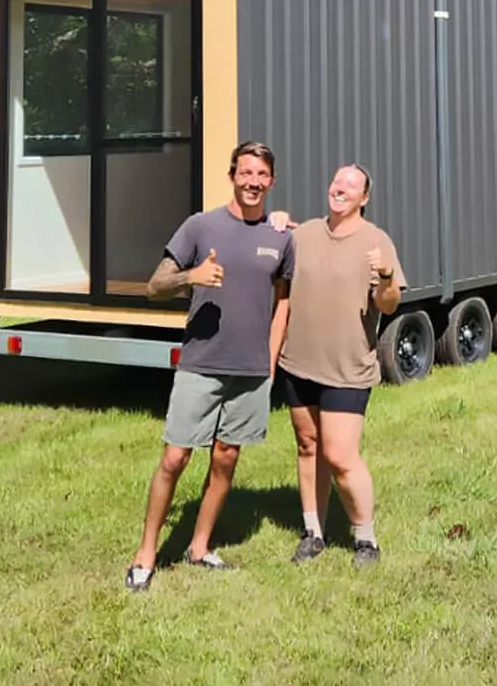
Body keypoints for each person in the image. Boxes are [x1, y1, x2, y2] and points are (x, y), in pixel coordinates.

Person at [124, 141, 294, 592]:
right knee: (175, 456)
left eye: (261, 175)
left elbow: (284, 302)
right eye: (245, 173)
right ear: (232, 175)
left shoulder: (281, 237)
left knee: (226, 457)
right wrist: (191, 277)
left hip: (251, 370)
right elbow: (153, 286)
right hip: (201, 364)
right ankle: (145, 554)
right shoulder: (201, 226)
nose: (253, 182)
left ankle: (199, 547)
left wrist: (270, 361)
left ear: (271, 181)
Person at [274, 163, 406, 567]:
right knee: (308, 446)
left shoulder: (376, 240)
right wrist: (273, 221)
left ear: (364, 198)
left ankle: (366, 539)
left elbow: (389, 304)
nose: (340, 189)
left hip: (348, 367)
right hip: (298, 362)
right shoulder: (303, 234)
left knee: (341, 455)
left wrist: (384, 278)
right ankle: (313, 532)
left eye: (350, 185)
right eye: (336, 182)